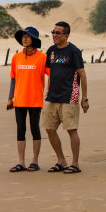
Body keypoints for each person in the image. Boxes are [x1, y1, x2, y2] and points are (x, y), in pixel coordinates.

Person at [42, 21, 89, 174]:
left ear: (66, 35)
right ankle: (61, 160)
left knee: (71, 130)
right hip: (52, 97)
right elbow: (51, 73)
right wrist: (47, 92)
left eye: (58, 33)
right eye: (53, 32)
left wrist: (85, 98)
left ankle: (75, 163)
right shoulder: (51, 50)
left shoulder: (73, 51)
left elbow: (82, 74)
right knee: (49, 129)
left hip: (70, 96)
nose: (54, 35)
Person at [7, 27, 48, 172]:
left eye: (28, 36)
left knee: (35, 129)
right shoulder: (16, 57)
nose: (24, 39)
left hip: (35, 99)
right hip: (19, 100)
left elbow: (53, 75)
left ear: (34, 40)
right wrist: (10, 97)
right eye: (23, 36)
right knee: (20, 130)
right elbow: (13, 78)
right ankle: (21, 162)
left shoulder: (42, 57)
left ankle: (35, 161)